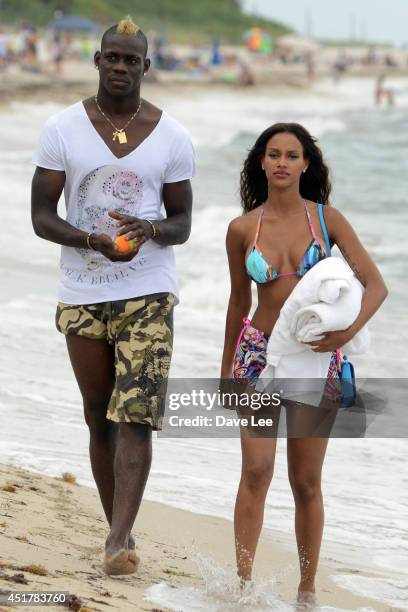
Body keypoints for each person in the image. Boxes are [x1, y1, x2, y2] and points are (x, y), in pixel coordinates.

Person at [31, 16, 195, 576]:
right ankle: (115, 531)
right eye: (113, 58)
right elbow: (40, 215)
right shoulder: (62, 128)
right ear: (97, 61)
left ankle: (120, 538)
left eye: (132, 60)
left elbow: (182, 222)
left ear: (147, 67)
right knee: (98, 416)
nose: (121, 67)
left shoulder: (173, 136)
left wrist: (148, 231)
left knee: (137, 414)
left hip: (149, 289)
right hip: (82, 290)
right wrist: (89, 240)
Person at [220, 123, 387, 604]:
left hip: (315, 360)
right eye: (273, 154)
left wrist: (347, 334)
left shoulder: (326, 220)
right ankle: (242, 586)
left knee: (306, 482)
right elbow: (237, 304)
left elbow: (376, 285)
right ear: (261, 162)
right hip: (257, 353)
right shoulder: (241, 229)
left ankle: (307, 589)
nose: (281, 163)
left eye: (292, 155)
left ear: (306, 164)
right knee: (255, 471)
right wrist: (229, 369)